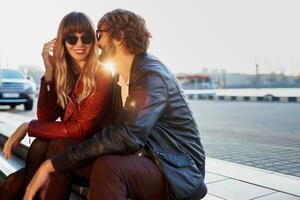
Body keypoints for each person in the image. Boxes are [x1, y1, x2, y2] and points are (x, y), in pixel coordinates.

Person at [24, 9, 207, 200]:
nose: (96, 41)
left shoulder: (152, 77)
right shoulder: (121, 76)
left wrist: (50, 165)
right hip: (142, 158)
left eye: (99, 34)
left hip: (176, 172)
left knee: (109, 167)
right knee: (60, 148)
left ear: (119, 37)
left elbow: (126, 136)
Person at [0, 11, 112, 200]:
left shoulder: (101, 75)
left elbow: (80, 129)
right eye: (72, 38)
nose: (80, 44)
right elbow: (46, 118)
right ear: (62, 41)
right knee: (16, 178)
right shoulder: (64, 74)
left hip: (89, 156)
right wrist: (50, 71)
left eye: (85, 37)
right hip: (63, 150)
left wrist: (28, 126)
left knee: (42, 151)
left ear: (93, 40)